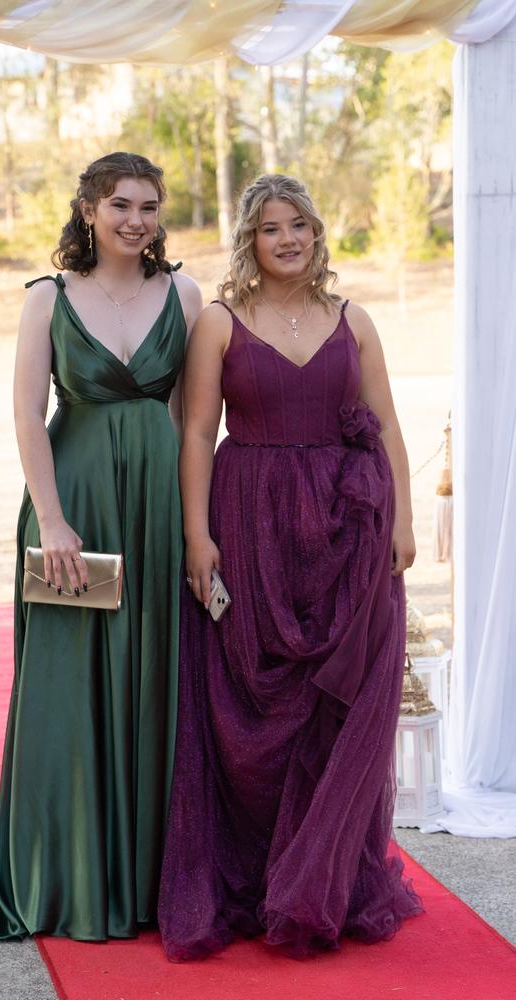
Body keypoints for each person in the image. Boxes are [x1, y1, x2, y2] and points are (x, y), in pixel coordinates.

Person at [158, 174, 423, 960]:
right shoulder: (218, 322)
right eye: (271, 228)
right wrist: (195, 536)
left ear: (317, 232)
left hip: (348, 532)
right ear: (251, 237)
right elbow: (198, 430)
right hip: (252, 523)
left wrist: (403, 520)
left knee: (335, 710)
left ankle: (327, 878)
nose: (288, 240)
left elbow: (389, 426)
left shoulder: (356, 321)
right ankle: (257, 877)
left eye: (300, 225)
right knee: (251, 703)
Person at [0, 152, 202, 941]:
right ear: (88, 209)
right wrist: (51, 519)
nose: (136, 220)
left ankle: (153, 879)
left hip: (157, 505)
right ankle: (68, 876)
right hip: (74, 505)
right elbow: (26, 414)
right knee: (66, 690)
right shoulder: (45, 299)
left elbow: (195, 424)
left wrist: (196, 528)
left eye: (149, 206)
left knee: (157, 680)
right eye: (120, 204)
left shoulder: (185, 294)